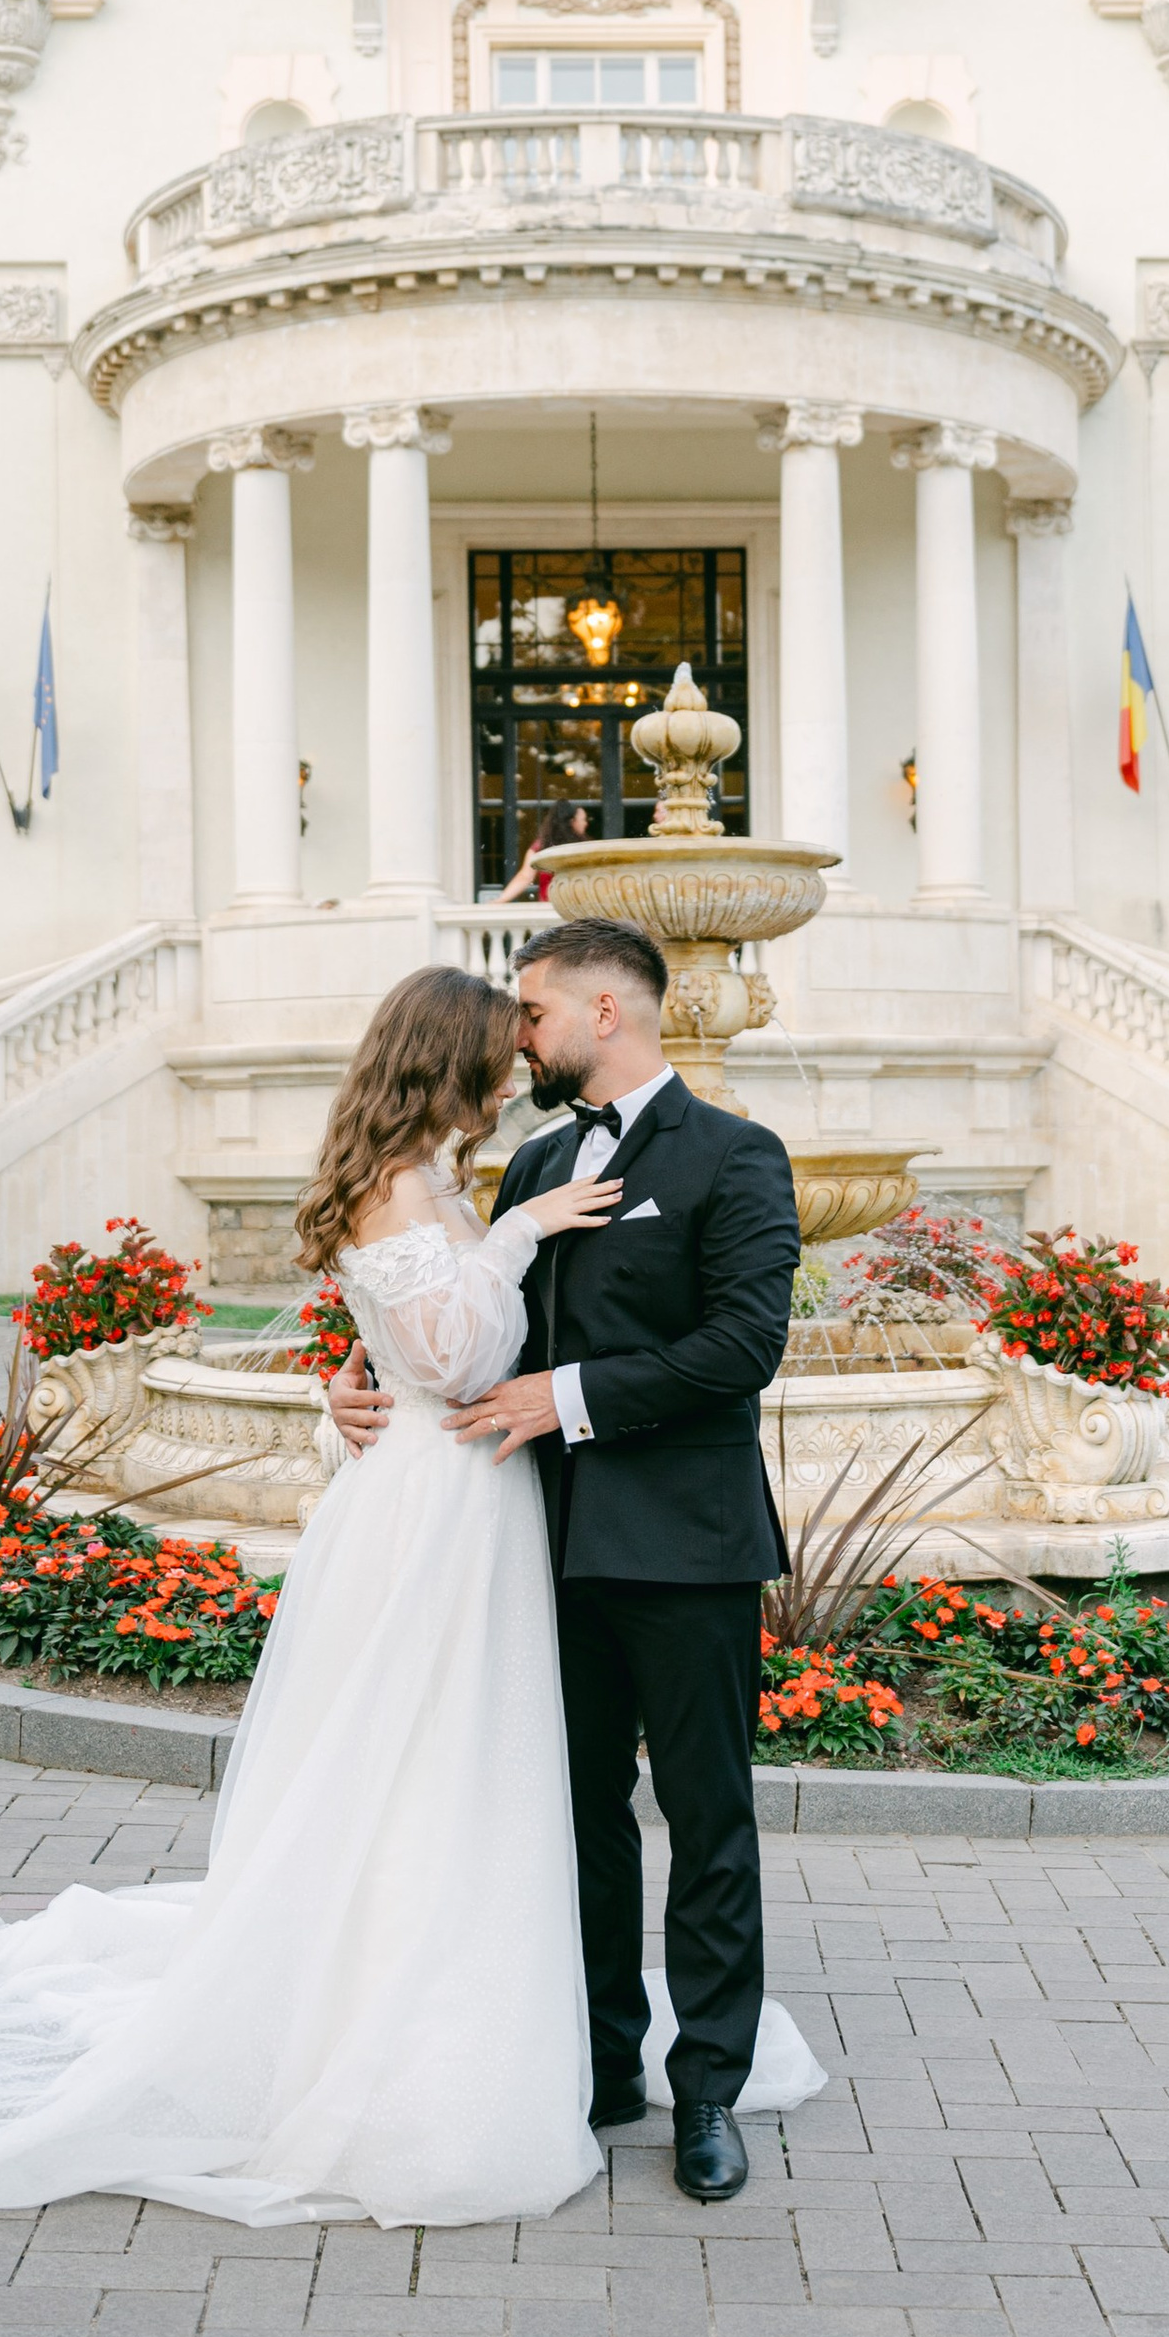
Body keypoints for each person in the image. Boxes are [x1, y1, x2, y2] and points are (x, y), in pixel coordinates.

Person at [0, 968, 643, 2228]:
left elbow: (400, 1347)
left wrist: (409, 1322)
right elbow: (457, 1354)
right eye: (497, 1051)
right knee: (410, 1758)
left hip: (463, 1498)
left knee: (454, 1763)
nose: (513, 1070)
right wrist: (523, 1234)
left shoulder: (432, 1171)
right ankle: (383, 2027)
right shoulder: (403, 1182)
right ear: (445, 1059)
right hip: (429, 1511)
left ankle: (459, 1988)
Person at [327, 914, 823, 2203]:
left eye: (534, 1008)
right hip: (530, 1545)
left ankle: (706, 2087)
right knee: (577, 1817)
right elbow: (459, 1328)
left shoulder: (735, 1154)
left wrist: (573, 1397)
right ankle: (604, 2061)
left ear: (606, 1010)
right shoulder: (528, 1162)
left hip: (687, 1545)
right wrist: (356, 1380)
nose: (518, 1032)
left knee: (708, 1819)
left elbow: (741, 1345)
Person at [494, 797, 592, 902]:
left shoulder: (541, 847)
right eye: (583, 819)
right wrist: (500, 900)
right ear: (572, 822)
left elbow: (525, 876)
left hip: (550, 907)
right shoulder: (582, 848)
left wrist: (500, 900)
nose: (586, 823)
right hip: (571, 908)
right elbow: (525, 877)